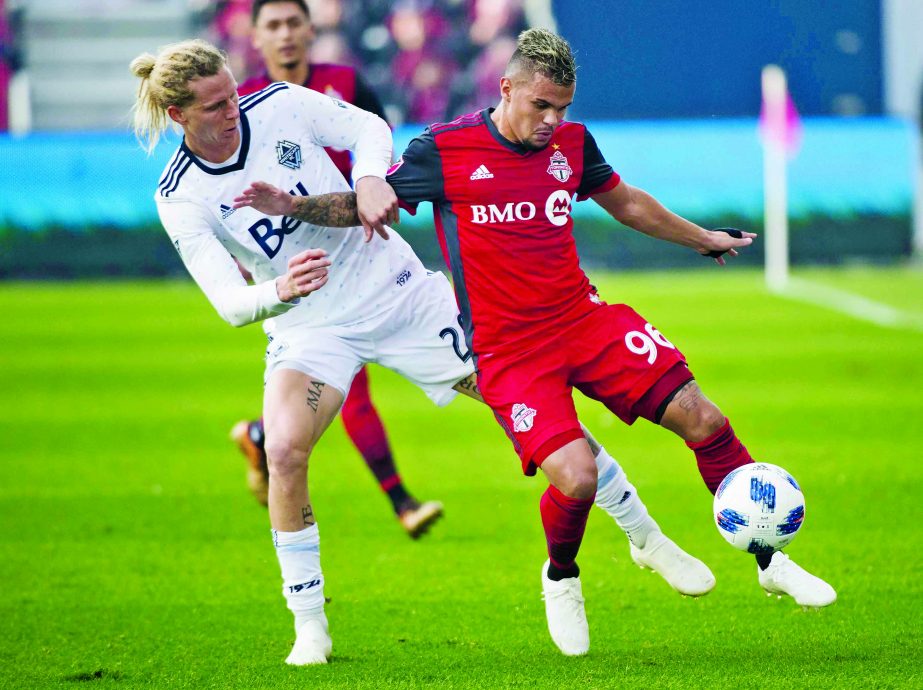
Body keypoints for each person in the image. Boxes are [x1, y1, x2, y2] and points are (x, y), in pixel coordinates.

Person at [235, 28, 837, 658]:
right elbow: (362, 202)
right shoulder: (443, 151)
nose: (553, 121)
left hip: (582, 320)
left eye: (563, 108)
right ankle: (562, 577)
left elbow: (626, 203)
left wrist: (703, 238)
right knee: (576, 478)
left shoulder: (572, 147)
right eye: (540, 106)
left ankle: (769, 558)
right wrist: (295, 203)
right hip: (507, 352)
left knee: (703, 417)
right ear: (507, 90)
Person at [131, 38, 714, 665]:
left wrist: (370, 179)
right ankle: (309, 626)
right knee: (283, 450)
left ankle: (645, 537)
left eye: (232, 94)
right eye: (216, 106)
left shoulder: (276, 104)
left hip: (400, 295)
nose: (233, 111)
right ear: (178, 116)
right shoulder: (179, 194)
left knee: (526, 411)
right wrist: (278, 289)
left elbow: (368, 128)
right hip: (310, 326)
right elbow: (228, 301)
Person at [225, 0, 445, 539]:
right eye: (272, 26)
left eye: (293, 23)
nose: (285, 35)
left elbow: (381, 142)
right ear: (255, 37)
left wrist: (378, 190)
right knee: (350, 384)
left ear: (310, 28)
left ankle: (259, 434)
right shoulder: (239, 100)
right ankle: (401, 501)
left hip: (361, 243)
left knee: (346, 384)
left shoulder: (345, 82)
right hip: (301, 261)